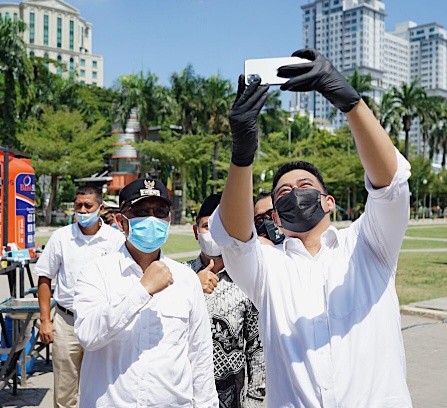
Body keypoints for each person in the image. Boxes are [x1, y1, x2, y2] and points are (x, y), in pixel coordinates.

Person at [209, 49, 413, 407]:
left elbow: (390, 183)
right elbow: (235, 237)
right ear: (275, 216)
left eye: (305, 186)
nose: (295, 194)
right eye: (283, 193)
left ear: (329, 202)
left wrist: (350, 102)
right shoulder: (267, 270)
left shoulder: (368, 244)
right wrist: (242, 153)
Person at [73, 177, 218, 407]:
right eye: (141, 211)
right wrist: (142, 290)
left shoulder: (186, 278)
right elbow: (88, 335)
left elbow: (199, 356)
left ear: (168, 220)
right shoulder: (97, 272)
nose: (151, 219)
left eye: (159, 212)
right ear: (121, 222)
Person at [35, 185, 125, 408]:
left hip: (103, 321)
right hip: (67, 323)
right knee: (65, 393)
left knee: (105, 389)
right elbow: (44, 278)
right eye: (78, 206)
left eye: (88, 206)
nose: (83, 211)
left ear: (101, 208)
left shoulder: (116, 240)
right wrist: (45, 321)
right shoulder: (61, 238)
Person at [186, 194, 265, 408]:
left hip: (232, 396)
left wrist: (255, 398)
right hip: (184, 393)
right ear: (196, 232)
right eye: (205, 227)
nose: (211, 234)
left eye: (218, 228)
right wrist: (192, 285)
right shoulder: (180, 277)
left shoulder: (245, 279)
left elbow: (256, 346)